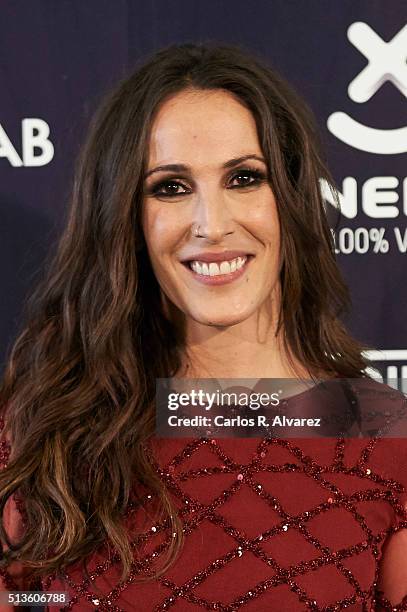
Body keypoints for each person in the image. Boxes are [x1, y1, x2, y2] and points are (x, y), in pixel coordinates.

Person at [0, 42, 406, 611]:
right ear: (125, 217)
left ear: (291, 198)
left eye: (244, 178)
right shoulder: (42, 431)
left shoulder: (388, 436)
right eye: (170, 187)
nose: (212, 224)